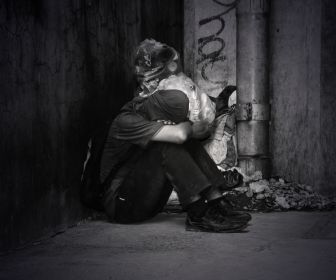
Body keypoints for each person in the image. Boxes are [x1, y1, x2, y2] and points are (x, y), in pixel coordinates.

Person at [81, 39, 251, 232]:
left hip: (147, 200)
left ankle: (216, 201)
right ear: (153, 106)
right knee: (170, 142)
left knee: (182, 139)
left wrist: (197, 123)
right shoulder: (126, 120)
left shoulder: (153, 117)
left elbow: (188, 134)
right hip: (121, 205)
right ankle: (198, 213)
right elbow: (179, 134)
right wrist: (194, 126)